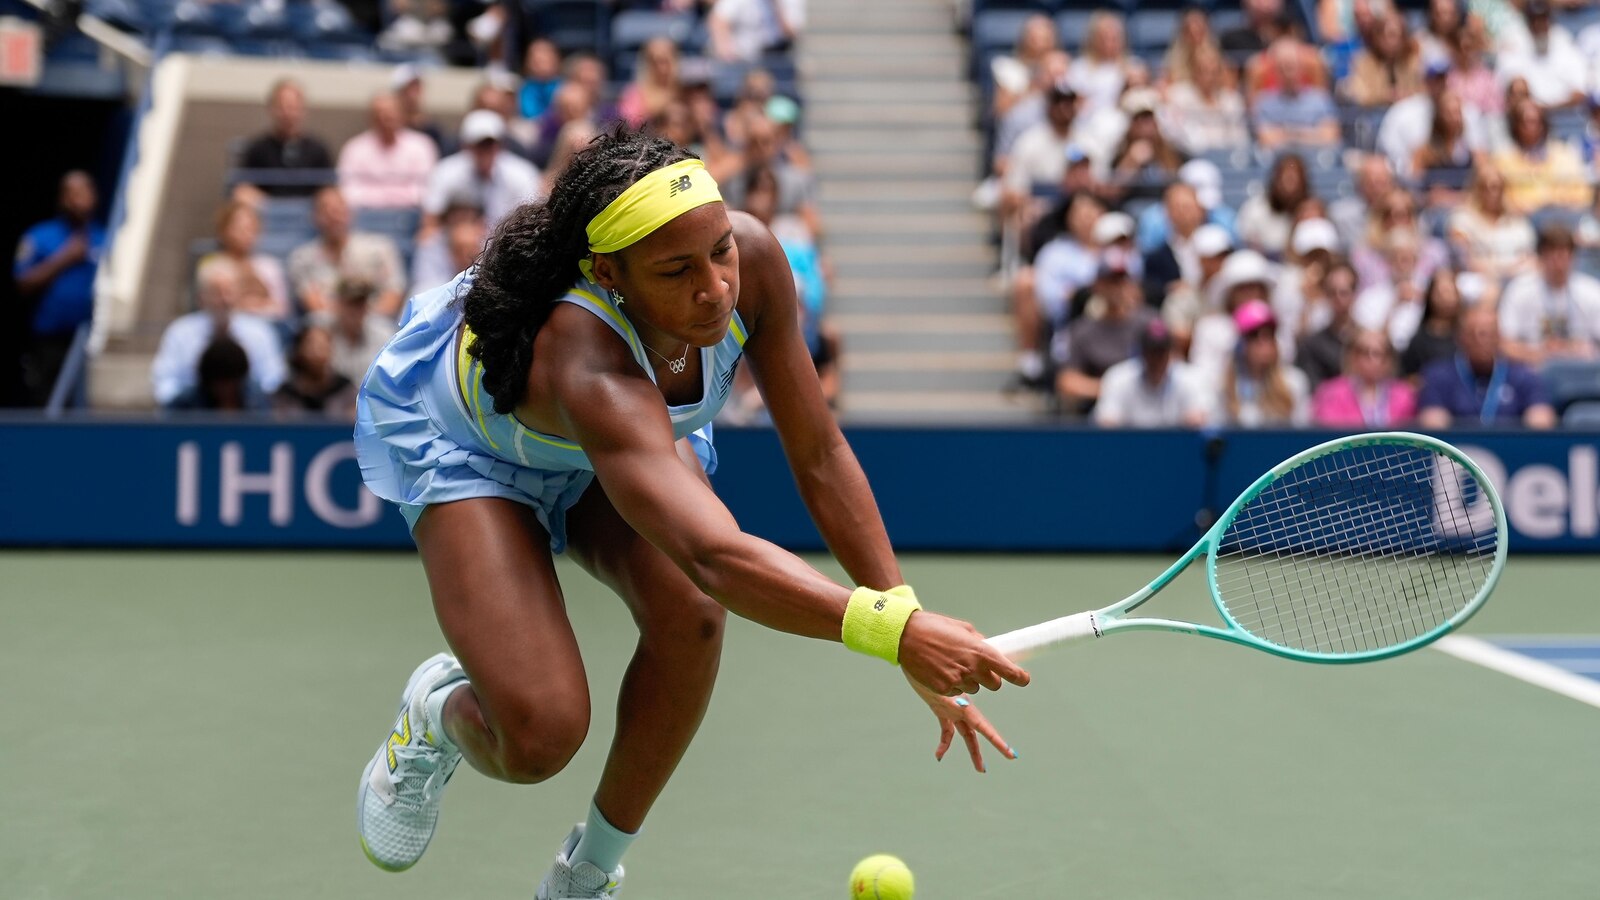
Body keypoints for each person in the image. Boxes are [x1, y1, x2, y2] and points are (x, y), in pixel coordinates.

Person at [350, 129, 1028, 896]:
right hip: (479, 452)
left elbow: (819, 454)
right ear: (610, 274)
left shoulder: (756, 261)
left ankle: (589, 871)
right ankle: (437, 713)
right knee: (538, 738)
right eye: (676, 271)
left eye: (719, 252)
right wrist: (894, 633)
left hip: (620, 442)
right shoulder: (580, 351)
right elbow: (716, 553)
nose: (715, 289)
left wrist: (902, 612)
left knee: (695, 614)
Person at [12, 170, 104, 405]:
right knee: (46, 402)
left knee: (85, 406)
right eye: (72, 194)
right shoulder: (40, 236)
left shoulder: (106, 238)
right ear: (62, 198)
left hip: (89, 340)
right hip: (49, 341)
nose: (79, 199)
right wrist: (65, 258)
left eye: (84, 192)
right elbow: (23, 283)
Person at [151, 264, 285, 406]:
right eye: (217, 292)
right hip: (192, 414)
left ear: (239, 295)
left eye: (229, 292)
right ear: (201, 297)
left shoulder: (260, 332)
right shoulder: (180, 332)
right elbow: (164, 383)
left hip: (248, 415)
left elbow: (273, 379)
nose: (224, 300)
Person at [1417, 306, 1557, 427]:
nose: (1481, 341)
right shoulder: (1438, 376)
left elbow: (1542, 420)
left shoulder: (1524, 376)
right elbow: (1433, 424)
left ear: (1499, 337)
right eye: (1474, 335)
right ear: (1461, 338)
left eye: (1488, 334)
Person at [288, 187, 407, 318]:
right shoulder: (301, 258)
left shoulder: (380, 248)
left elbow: (392, 296)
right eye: (325, 210)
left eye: (338, 209)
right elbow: (313, 304)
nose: (333, 216)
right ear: (314, 217)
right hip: (328, 326)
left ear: (350, 213)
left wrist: (361, 320)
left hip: (374, 324)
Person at [421, 110, 543, 237]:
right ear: (466, 146)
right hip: (457, 248)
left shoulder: (523, 174)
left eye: (489, 144)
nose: (484, 151)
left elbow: (531, 223)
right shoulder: (445, 172)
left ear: (500, 145)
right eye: (479, 144)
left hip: (508, 245)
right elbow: (431, 223)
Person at [1497, 224, 1600, 366]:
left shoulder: (1591, 291)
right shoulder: (1519, 290)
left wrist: (1583, 350)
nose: (1559, 264)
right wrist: (1539, 354)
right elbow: (1504, 345)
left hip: (1581, 370)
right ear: (1541, 258)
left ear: (1573, 258)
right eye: (1552, 256)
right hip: (1533, 368)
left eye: (1564, 255)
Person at [1093, 318, 1210, 427]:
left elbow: (1199, 417)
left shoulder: (1192, 379)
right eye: (1151, 352)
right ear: (1142, 352)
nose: (1156, 359)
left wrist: (1195, 419)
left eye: (1161, 352)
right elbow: (1107, 421)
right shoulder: (1118, 377)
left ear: (1170, 352)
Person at [337, 93, 439, 210]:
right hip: (365, 216)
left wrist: (383, 196)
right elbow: (348, 191)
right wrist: (394, 196)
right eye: (379, 114)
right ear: (371, 118)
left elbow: (426, 189)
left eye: (391, 114)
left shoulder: (421, 145)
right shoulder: (354, 148)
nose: (385, 118)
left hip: (412, 216)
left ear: (402, 115)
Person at [195, 201, 291, 323]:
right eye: (238, 228)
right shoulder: (211, 266)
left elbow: (281, 309)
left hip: (265, 329)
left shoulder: (269, 266)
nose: (245, 234)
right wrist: (241, 307)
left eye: (250, 228)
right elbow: (206, 306)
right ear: (223, 230)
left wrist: (255, 308)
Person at [1218, 300, 1311, 426]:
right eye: (1254, 335)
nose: (1263, 342)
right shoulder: (1226, 387)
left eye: (1269, 335)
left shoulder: (1294, 381)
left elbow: (1302, 432)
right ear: (1241, 343)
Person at [236, 79, 334, 198]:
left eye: (292, 107)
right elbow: (244, 186)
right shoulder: (257, 148)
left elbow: (329, 187)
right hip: (266, 210)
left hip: (311, 212)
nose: (287, 114)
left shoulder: (318, 149)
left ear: (303, 110)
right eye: (281, 107)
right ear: (271, 109)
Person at [1311, 329, 1418, 427]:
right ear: (1353, 356)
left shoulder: (1404, 395)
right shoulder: (1331, 393)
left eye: (1378, 354)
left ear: (1389, 359)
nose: (1373, 360)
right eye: (1365, 352)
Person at [1296, 258, 1361, 388]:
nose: (1338, 299)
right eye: (1332, 293)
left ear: (1355, 294)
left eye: (1344, 292)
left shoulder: (1367, 341)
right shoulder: (1313, 345)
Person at [166, 333, 267, 412]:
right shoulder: (185, 404)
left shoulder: (257, 402)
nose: (225, 391)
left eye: (230, 384)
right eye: (219, 385)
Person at [273, 323, 357, 417]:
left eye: (322, 346)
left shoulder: (345, 390)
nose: (317, 352)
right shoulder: (287, 393)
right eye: (311, 345)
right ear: (299, 350)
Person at [326, 280, 399, 385]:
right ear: (338, 304)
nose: (356, 310)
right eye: (351, 303)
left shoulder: (383, 334)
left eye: (361, 304)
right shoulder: (323, 332)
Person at [1400, 268, 1469, 377]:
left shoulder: (1467, 337)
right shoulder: (1419, 341)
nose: (1446, 298)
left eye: (1450, 292)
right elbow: (1409, 377)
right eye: (1440, 293)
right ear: (1430, 296)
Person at [709, 0, 804, 63]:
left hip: (777, 55)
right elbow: (719, 19)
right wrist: (727, 53)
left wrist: (776, 5)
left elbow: (792, 32)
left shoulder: (791, 2)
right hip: (745, 60)